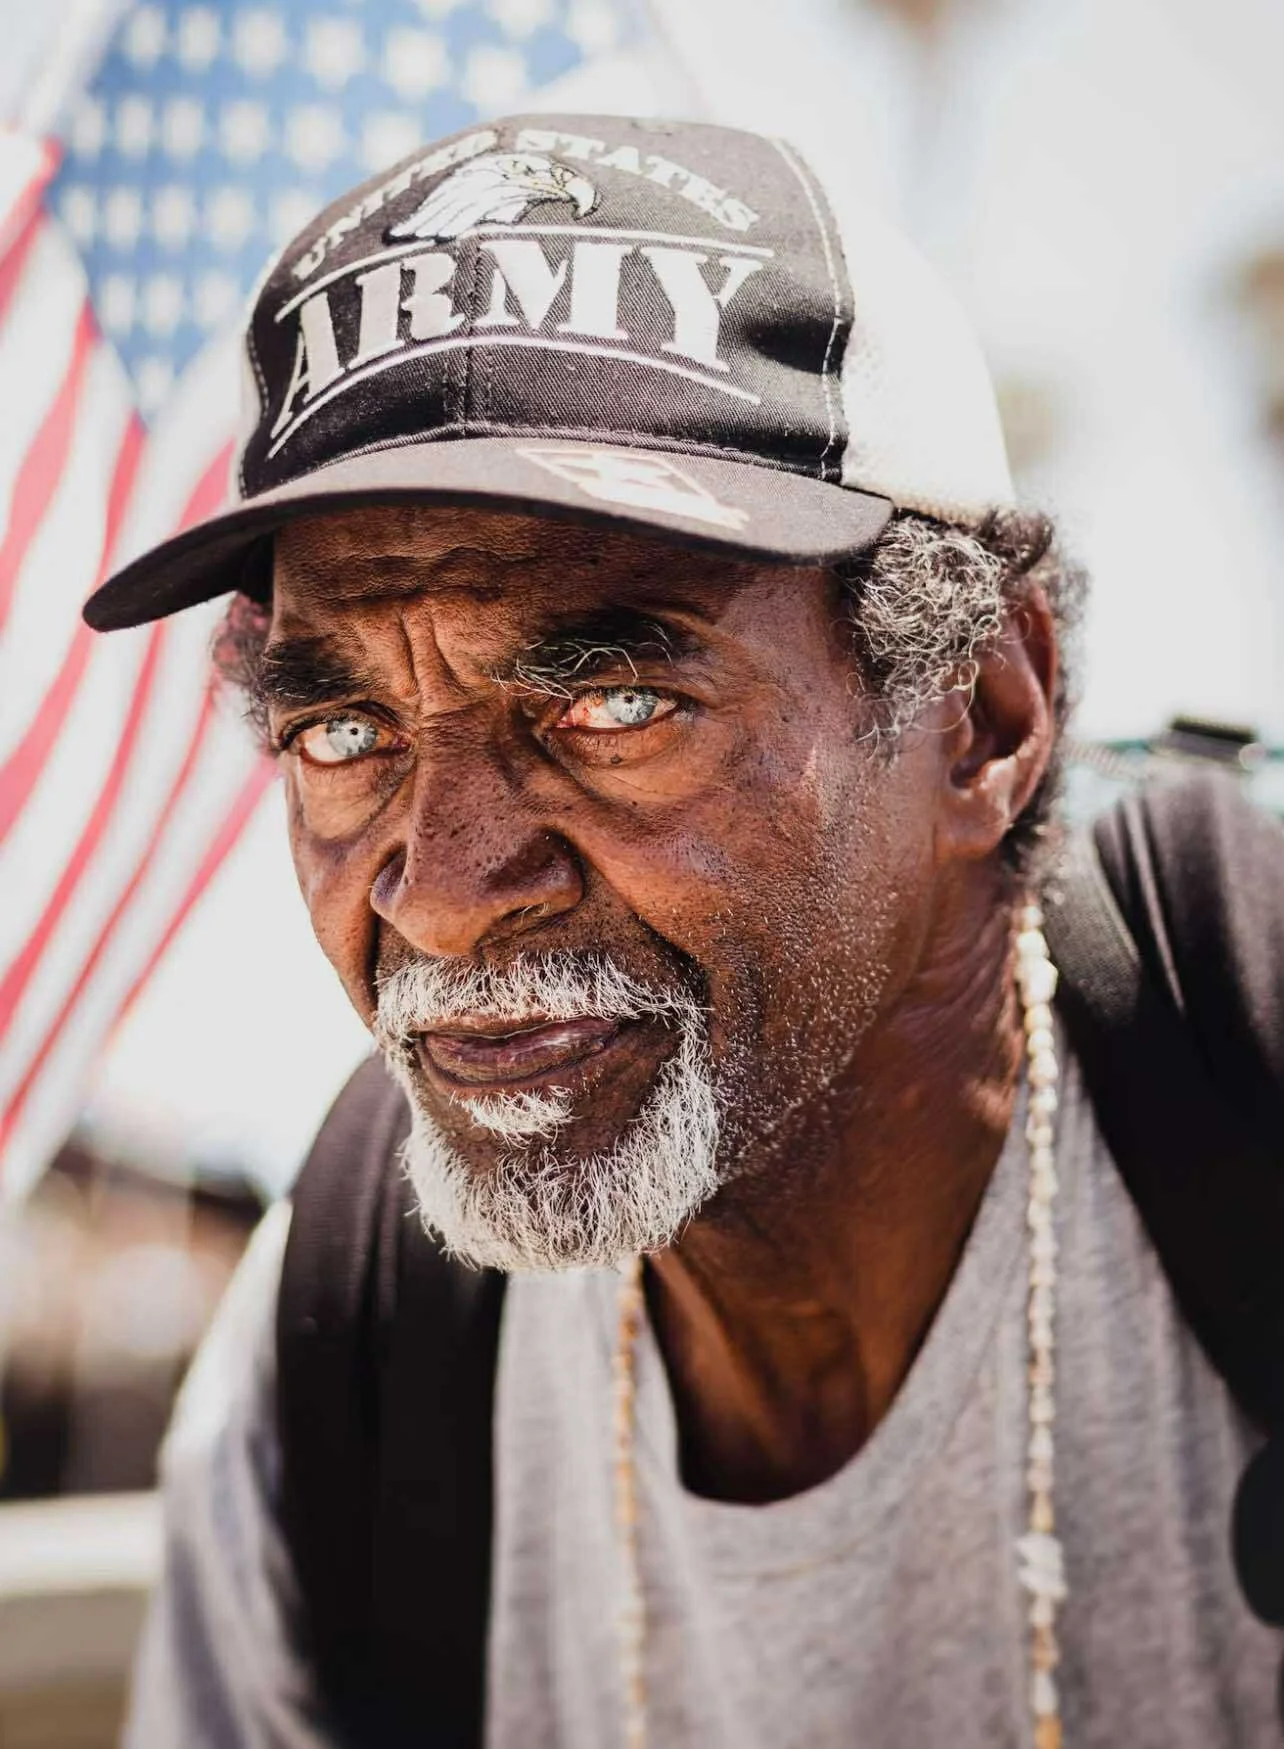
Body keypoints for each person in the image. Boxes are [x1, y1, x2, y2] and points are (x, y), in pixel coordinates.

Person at [84, 115, 1284, 1748]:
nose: (440, 891)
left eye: (614, 703)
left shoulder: (1243, 1083)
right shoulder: (354, 1344)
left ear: (983, 718)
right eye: (344, 736)